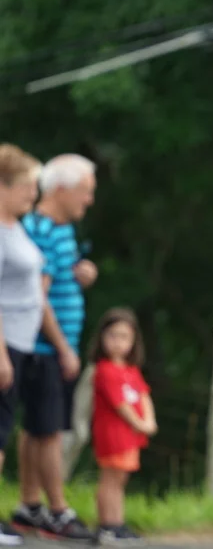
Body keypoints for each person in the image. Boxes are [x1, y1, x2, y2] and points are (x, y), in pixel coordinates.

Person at [14, 154, 97, 542]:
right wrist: (63, 347)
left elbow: (57, 279)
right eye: (85, 191)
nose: (89, 200)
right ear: (61, 189)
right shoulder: (41, 229)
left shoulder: (64, 231)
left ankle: (30, 504)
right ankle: (58, 510)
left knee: (38, 427)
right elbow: (38, 296)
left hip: (52, 347)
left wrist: (81, 275)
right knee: (50, 430)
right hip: (45, 348)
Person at [0, 144, 45, 546]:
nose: (33, 194)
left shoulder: (17, 226)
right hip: (5, 342)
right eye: (27, 186)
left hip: (20, 340)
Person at [88, 307, 155, 545]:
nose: (118, 342)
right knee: (110, 479)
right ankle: (107, 524)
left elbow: (143, 395)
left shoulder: (131, 370)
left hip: (129, 436)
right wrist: (140, 424)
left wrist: (149, 420)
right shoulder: (105, 370)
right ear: (102, 338)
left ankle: (117, 522)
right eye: (112, 335)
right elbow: (121, 404)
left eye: (124, 337)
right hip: (113, 435)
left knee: (120, 480)